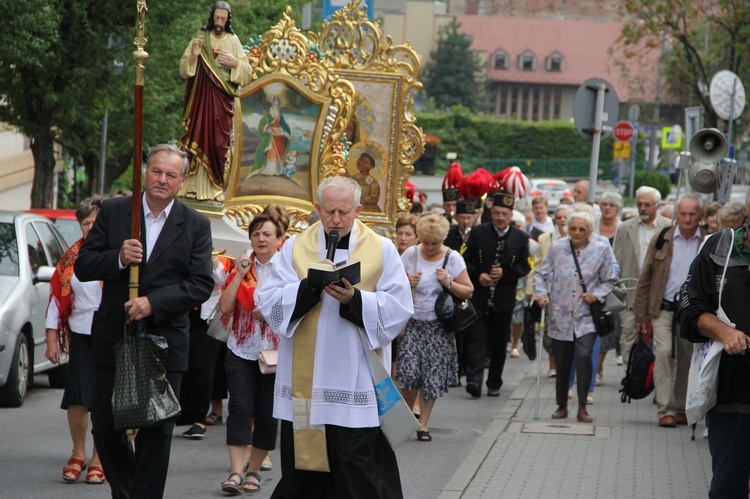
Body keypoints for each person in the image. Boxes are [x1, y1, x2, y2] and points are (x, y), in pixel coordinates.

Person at [256, 176, 413, 497]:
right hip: (306, 382)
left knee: (356, 465)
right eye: (329, 212)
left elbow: (398, 307)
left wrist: (354, 300)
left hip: (355, 379)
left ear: (358, 210)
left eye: (344, 212)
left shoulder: (381, 249)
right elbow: (268, 298)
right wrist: (309, 288)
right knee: (305, 469)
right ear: (317, 209)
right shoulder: (296, 247)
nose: (336, 220)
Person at [75, 144, 214, 498]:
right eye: (156, 171)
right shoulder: (115, 211)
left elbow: (200, 283)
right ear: (145, 172)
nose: (162, 180)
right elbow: (84, 264)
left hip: (167, 340)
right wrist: (118, 257)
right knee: (105, 427)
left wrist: (154, 303)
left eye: (171, 175)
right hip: (114, 339)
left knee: (158, 429)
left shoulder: (196, 224)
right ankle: (126, 492)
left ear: (182, 182)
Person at [678, 192, 750, 497]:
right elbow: (689, 307)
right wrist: (723, 331)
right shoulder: (719, 246)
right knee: (727, 487)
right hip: (732, 392)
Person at [218, 214, 282, 494]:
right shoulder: (242, 267)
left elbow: (299, 308)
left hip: (275, 354)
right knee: (240, 409)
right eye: (256, 234)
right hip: (241, 349)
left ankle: (253, 471)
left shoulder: (288, 271)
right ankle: (235, 472)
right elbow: (225, 307)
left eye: (267, 234)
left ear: (280, 240)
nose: (261, 239)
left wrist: (271, 314)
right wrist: (240, 274)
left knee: (267, 416)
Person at [44, 196, 105, 485]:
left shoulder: (119, 253)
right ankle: (78, 453)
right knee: (78, 398)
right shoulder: (69, 258)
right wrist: (52, 340)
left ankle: (100, 457)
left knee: (110, 400)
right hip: (81, 334)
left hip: (114, 335)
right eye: (85, 223)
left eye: (96, 222)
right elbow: (56, 300)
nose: (91, 227)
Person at [397, 215, 473, 441]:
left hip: (439, 326)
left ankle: (424, 425)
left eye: (435, 243)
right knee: (409, 373)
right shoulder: (410, 254)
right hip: (413, 323)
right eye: (426, 242)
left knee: (432, 376)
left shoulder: (453, 258)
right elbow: (390, 283)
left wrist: (448, 283)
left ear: (442, 239)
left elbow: (468, 291)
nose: (429, 248)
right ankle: (408, 416)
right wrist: (406, 282)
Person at [534, 211, 615, 423]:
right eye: (573, 228)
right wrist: (541, 294)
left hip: (586, 315)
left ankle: (582, 407)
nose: (577, 233)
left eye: (582, 229)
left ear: (590, 231)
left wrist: (596, 294)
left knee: (583, 356)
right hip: (560, 315)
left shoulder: (601, 249)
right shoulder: (558, 247)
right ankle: (561, 405)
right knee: (563, 362)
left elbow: (610, 280)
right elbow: (540, 274)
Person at [633, 195, 705, 427]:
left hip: (691, 310)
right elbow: (645, 278)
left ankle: (684, 407)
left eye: (691, 214)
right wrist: (641, 315)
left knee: (688, 357)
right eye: (682, 213)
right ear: (676, 215)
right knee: (663, 353)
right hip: (662, 307)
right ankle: (666, 409)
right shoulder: (663, 238)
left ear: (700, 217)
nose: (686, 218)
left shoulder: (707, 241)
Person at [178, 1, 253, 201]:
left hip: (221, 101)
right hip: (200, 99)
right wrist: (193, 56)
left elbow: (248, 73)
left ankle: (215, 186)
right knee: (198, 135)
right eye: (217, 18)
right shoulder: (200, 37)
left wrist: (235, 63)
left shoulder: (234, 40)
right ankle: (191, 186)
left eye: (223, 19)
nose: (219, 22)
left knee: (218, 142)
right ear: (212, 17)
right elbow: (184, 69)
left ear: (228, 19)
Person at [462, 191, 530, 398]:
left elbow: (524, 266)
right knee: (477, 338)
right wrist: (479, 275)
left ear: (511, 215)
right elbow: (465, 261)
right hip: (480, 297)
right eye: (497, 213)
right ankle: (474, 380)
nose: (500, 218)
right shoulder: (479, 232)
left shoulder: (520, 237)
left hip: (504, 299)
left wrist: (505, 273)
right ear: (491, 213)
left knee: (500, 343)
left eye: (505, 214)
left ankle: (494, 382)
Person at [613, 186, 671, 369]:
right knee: (628, 334)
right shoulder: (624, 228)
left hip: (659, 293)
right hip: (630, 292)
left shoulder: (669, 226)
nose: (643, 208)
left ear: (657, 205)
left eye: (647, 205)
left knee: (658, 339)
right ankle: (631, 378)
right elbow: (616, 260)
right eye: (639, 205)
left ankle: (653, 378)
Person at [525, 204, 571, 377]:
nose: (562, 220)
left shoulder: (577, 237)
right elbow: (536, 266)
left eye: (565, 217)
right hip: (550, 290)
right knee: (551, 329)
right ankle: (552, 366)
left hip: (570, 292)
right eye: (559, 217)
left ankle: (566, 364)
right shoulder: (546, 238)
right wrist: (533, 289)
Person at [596, 191, 624, 383]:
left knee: (607, 325)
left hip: (614, 285)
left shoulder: (622, 228)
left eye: (611, 205)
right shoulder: (592, 227)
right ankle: (594, 368)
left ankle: (597, 368)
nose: (607, 208)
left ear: (618, 209)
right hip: (592, 284)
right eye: (604, 204)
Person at [254, 97, 293, 176]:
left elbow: (282, 126)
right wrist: (268, 129)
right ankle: (271, 170)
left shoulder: (280, 115)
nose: (277, 108)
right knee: (273, 152)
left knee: (280, 152)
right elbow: (262, 126)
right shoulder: (269, 115)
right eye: (276, 106)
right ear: (273, 106)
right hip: (271, 138)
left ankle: (279, 170)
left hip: (279, 137)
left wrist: (287, 135)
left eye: (278, 107)